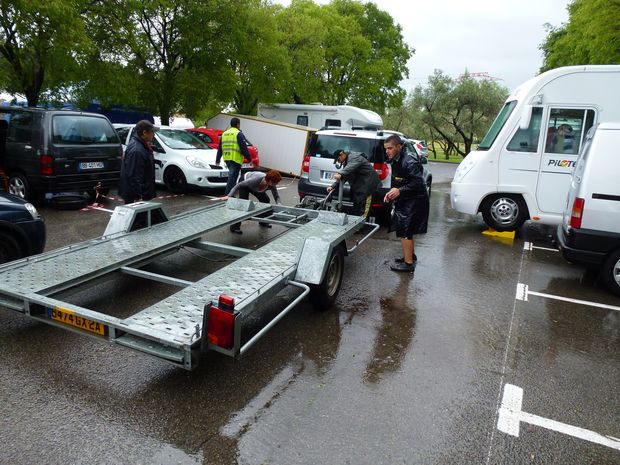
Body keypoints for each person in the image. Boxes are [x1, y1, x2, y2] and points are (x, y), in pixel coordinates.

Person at [383, 134, 429, 273]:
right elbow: (400, 181)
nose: (387, 151)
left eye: (390, 148)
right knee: (404, 228)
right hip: (407, 199)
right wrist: (393, 192)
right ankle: (409, 256)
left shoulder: (409, 161)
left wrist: (400, 190)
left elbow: (419, 183)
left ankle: (408, 264)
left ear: (399, 146)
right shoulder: (397, 158)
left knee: (405, 230)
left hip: (415, 200)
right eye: (386, 149)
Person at [222, 169, 283, 234]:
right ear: (270, 181)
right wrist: (229, 195)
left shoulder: (272, 185)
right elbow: (239, 185)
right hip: (244, 183)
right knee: (243, 204)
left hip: (257, 188)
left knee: (265, 200)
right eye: (276, 182)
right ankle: (234, 227)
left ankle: (263, 221)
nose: (277, 184)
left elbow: (276, 196)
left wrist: (279, 204)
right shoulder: (256, 179)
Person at [326, 149, 380, 217]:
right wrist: (332, 186)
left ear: (342, 154)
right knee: (357, 209)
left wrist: (340, 173)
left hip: (368, 187)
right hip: (359, 188)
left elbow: (346, 170)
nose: (339, 162)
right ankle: (358, 225)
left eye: (338, 159)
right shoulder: (347, 162)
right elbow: (344, 176)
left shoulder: (354, 157)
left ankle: (362, 226)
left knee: (364, 212)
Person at [118, 120, 157, 204]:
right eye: (152, 132)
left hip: (138, 195)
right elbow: (134, 176)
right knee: (140, 217)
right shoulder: (137, 150)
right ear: (144, 133)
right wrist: (138, 197)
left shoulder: (140, 145)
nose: (154, 134)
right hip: (136, 198)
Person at [216, 117, 251, 195]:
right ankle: (228, 194)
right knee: (232, 177)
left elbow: (220, 148)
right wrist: (249, 159)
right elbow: (244, 147)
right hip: (235, 158)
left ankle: (230, 195)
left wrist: (218, 159)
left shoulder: (224, 133)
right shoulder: (238, 133)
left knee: (233, 177)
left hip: (227, 158)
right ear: (238, 124)